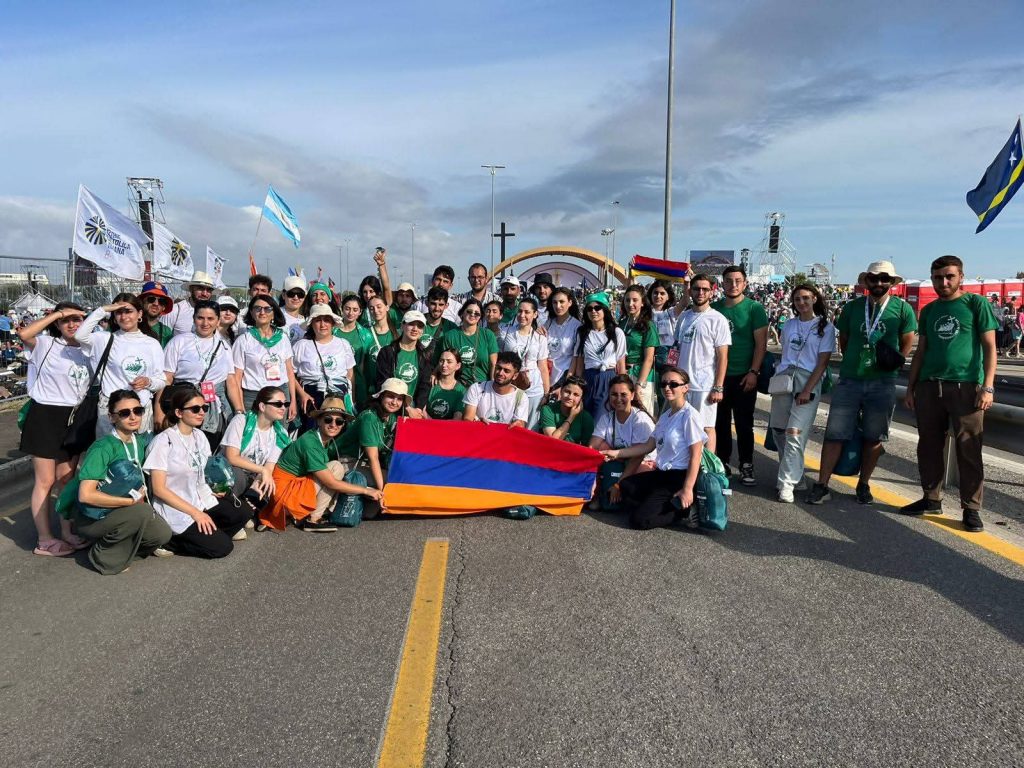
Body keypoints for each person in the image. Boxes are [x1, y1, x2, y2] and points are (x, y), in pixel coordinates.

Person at [808, 261, 917, 505]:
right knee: (835, 433)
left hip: (882, 382)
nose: (879, 283)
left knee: (874, 436)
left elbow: (907, 341)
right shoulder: (852, 308)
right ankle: (822, 484)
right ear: (866, 281)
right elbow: (844, 341)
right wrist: (856, 361)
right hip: (850, 380)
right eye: (874, 278)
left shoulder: (902, 309)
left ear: (891, 283)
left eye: (884, 278)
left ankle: (864, 483)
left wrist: (894, 362)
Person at [902, 255, 998, 532]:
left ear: (960, 277)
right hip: (930, 386)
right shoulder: (930, 310)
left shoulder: (976, 304)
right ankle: (931, 498)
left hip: (966, 388)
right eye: (937, 277)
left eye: (949, 276)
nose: (943, 282)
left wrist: (988, 387)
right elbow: (921, 351)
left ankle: (971, 508)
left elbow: (990, 347)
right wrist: (911, 386)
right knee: (928, 446)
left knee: (969, 449)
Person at [18, 302, 93, 557]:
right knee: (45, 480)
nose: (72, 324)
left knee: (66, 479)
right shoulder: (46, 344)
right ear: (57, 324)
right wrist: (58, 313)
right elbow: (24, 334)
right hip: (45, 415)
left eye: (77, 319)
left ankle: (66, 531)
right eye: (65, 320)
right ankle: (44, 539)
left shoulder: (88, 349)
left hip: (74, 417)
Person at [144, 386, 253, 557]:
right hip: (177, 507)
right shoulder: (163, 442)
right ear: (179, 412)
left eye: (204, 407)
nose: (202, 412)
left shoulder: (200, 436)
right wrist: (195, 513)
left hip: (200, 498)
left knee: (244, 512)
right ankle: (171, 542)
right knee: (223, 547)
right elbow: (159, 490)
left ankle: (207, 533)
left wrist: (214, 489)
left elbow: (204, 471)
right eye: (195, 409)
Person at [72, 390, 172, 574]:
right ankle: (101, 556)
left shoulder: (139, 442)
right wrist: (129, 502)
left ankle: (121, 548)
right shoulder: (103, 447)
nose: (133, 417)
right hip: (93, 516)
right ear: (112, 417)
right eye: (125, 413)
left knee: (162, 535)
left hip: (123, 510)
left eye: (138, 411)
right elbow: (86, 495)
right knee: (141, 511)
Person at [600, 367, 706, 530]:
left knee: (638, 521)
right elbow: (647, 446)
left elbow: (696, 456)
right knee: (625, 486)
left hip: (679, 476)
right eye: (664, 384)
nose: (667, 388)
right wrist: (615, 453)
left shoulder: (689, 416)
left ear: (685, 388)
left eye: (673, 384)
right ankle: (664, 503)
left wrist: (687, 489)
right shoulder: (665, 416)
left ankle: (683, 511)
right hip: (661, 473)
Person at [262, 397, 384, 531]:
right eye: (328, 419)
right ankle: (313, 519)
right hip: (283, 496)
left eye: (339, 421)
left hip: (291, 488)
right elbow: (331, 483)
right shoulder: (310, 444)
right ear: (319, 420)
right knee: (336, 468)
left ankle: (305, 513)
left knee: (334, 468)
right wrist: (366, 490)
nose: (333, 425)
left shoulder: (322, 439)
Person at [769, 284, 835, 503]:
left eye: (806, 298)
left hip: (808, 379)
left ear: (814, 298)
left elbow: (823, 362)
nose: (801, 302)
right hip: (785, 377)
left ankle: (786, 483)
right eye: (797, 299)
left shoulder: (826, 327)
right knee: (779, 430)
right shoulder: (789, 325)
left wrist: (807, 389)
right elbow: (786, 352)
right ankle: (797, 478)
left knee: (794, 432)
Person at [76, 295, 166, 436]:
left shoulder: (152, 344)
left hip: (140, 409)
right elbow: (79, 335)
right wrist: (103, 310)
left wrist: (148, 382)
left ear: (140, 314)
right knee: (110, 448)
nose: (124, 317)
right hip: (111, 410)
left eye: (128, 311)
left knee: (140, 449)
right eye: (118, 312)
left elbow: (161, 380)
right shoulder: (104, 339)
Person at [711, 266, 768, 485]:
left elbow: (760, 345)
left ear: (745, 283)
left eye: (737, 280)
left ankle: (746, 464)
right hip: (719, 376)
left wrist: (754, 371)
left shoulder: (754, 308)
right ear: (722, 283)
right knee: (720, 423)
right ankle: (723, 462)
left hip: (745, 375)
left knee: (744, 424)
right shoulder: (714, 308)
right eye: (728, 280)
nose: (733, 285)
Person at [160, 300, 233, 445]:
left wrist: (239, 411)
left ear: (218, 321)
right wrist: (159, 411)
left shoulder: (224, 346)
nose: (205, 323)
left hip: (212, 408)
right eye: (200, 318)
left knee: (208, 447)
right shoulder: (178, 342)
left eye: (210, 318)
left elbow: (231, 381)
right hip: (183, 405)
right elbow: (166, 378)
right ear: (194, 319)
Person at [333, 379, 408, 517]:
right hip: (345, 462)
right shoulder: (369, 417)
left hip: (363, 463)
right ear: (381, 396)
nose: (394, 402)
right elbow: (373, 458)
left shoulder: (390, 418)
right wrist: (382, 492)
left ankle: (368, 511)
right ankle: (378, 502)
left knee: (399, 474)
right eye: (391, 396)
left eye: (399, 399)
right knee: (393, 479)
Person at [673, 274, 731, 453]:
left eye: (705, 289)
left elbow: (722, 357)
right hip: (682, 384)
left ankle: (707, 467)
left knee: (706, 428)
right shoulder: (683, 317)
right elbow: (676, 349)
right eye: (697, 288)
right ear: (690, 291)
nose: (700, 292)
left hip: (704, 385)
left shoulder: (718, 319)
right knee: (681, 425)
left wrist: (718, 387)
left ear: (711, 292)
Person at [219, 386, 290, 517]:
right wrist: (262, 471)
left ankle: (249, 511)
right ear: (262, 406)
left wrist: (258, 482)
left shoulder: (281, 433)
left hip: (254, 474)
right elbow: (232, 457)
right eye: (278, 404)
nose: (283, 408)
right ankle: (226, 512)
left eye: (286, 404)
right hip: (229, 472)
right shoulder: (241, 420)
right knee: (238, 475)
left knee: (271, 481)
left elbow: (269, 466)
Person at [227, 295, 298, 419]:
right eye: (257, 308)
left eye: (267, 309)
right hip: (253, 397)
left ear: (274, 313)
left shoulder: (283, 338)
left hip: (281, 395)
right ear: (251, 312)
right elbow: (236, 378)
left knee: (279, 431)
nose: (262, 312)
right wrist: (240, 408)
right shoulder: (243, 340)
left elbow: (289, 372)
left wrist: (293, 401)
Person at [293, 304, 356, 429]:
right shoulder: (301, 345)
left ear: (332, 323)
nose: (323, 325)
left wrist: (352, 400)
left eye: (327, 320)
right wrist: (302, 394)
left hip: (339, 396)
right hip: (311, 397)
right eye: (318, 320)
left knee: (338, 431)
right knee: (312, 432)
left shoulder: (343, 344)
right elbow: (290, 374)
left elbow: (350, 375)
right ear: (311, 324)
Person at [571, 292, 626, 419]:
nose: (593, 311)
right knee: (585, 417)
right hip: (588, 378)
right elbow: (580, 363)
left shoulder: (617, 332)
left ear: (604, 310)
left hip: (608, 378)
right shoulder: (582, 332)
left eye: (597, 308)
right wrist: (578, 384)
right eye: (589, 309)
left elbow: (621, 363)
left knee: (601, 418)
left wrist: (622, 388)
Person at [498, 297, 550, 428]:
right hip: (510, 383)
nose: (522, 315)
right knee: (509, 423)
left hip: (534, 386)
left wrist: (546, 393)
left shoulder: (540, 338)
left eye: (527, 312)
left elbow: (543, 366)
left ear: (535, 314)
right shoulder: (506, 332)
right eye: (520, 311)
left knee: (531, 426)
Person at [375, 310, 431, 416]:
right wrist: (406, 408)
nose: (415, 329)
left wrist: (418, 409)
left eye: (419, 326)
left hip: (413, 411)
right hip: (389, 408)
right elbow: (383, 383)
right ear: (402, 326)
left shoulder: (424, 356)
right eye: (411, 324)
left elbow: (424, 385)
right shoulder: (387, 352)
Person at [437, 298, 498, 388]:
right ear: (462, 313)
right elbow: (444, 362)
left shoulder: (488, 335)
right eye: (469, 311)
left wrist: (493, 385)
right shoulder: (450, 336)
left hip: (483, 386)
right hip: (457, 386)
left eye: (477, 313)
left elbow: (493, 364)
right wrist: (435, 374)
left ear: (480, 317)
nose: (473, 314)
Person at [619, 284, 659, 414]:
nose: (630, 304)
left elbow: (649, 359)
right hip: (624, 374)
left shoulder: (648, 326)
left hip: (641, 376)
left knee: (642, 415)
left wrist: (639, 384)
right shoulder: (622, 324)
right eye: (627, 300)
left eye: (635, 300)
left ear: (642, 303)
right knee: (624, 413)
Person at [463, 351, 529, 426]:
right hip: (479, 432)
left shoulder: (521, 397)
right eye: (498, 368)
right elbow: (467, 419)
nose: (500, 373)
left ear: (515, 376)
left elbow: (520, 425)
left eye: (506, 371)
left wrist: (519, 424)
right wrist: (477, 422)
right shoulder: (477, 388)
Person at [335, 294, 375, 409]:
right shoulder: (333, 331)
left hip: (359, 383)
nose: (351, 313)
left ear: (360, 312)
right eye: (347, 309)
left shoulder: (366, 335)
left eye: (355, 310)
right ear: (342, 309)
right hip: (336, 381)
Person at [538, 374, 593, 444]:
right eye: (567, 392)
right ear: (561, 391)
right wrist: (571, 417)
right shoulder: (548, 409)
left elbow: (586, 446)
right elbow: (553, 441)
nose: (570, 397)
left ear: (581, 398)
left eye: (576, 395)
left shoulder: (586, 417)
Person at [544, 287, 582, 390]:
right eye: (555, 302)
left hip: (564, 378)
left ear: (570, 303)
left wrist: (567, 382)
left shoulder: (577, 326)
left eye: (562, 302)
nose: (558, 306)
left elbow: (576, 357)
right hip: (546, 377)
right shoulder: (548, 324)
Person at [165, 271, 215, 335]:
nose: (204, 294)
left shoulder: (214, 313)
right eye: (200, 288)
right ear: (191, 289)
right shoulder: (176, 310)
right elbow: (163, 338)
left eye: (209, 290)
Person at [426, 349, 465, 420]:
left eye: (449, 362)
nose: (444, 365)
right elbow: (421, 410)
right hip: (426, 425)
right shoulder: (429, 384)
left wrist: (436, 425)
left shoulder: (461, 391)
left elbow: (457, 418)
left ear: (458, 366)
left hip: (449, 427)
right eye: (441, 361)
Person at [138, 281, 175, 348]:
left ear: (163, 307)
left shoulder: (166, 332)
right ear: (142, 302)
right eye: (151, 299)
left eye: (161, 301)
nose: (156, 304)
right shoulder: (132, 326)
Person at [280, 275, 308, 343]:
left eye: (300, 294)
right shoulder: (274, 315)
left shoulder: (305, 320)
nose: (296, 298)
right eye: (291, 293)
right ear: (283, 295)